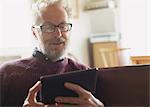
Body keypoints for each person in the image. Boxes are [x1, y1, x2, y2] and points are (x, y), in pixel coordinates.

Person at [0, 0, 104, 106]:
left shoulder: (84, 73)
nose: (58, 34)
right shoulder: (7, 74)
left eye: (63, 26)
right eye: (49, 27)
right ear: (34, 33)